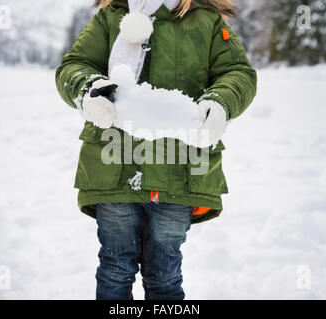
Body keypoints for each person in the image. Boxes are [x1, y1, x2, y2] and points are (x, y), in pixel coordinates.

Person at [55, 0, 257, 300]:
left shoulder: (207, 21)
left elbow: (238, 73)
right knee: (114, 267)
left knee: (165, 276)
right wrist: (89, 87)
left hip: (181, 171)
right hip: (115, 167)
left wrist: (220, 101)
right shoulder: (111, 17)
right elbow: (73, 66)